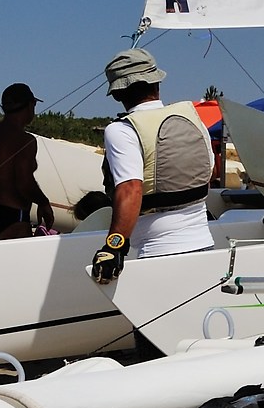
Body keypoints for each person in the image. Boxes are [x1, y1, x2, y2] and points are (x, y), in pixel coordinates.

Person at [89, 49, 216, 285]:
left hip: (159, 256)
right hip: (204, 246)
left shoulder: (121, 130)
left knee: (150, 323)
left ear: (117, 93)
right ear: (157, 82)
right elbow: (209, 172)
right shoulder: (192, 117)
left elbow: (130, 189)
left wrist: (113, 247)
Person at [0, 82, 56, 241]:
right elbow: (24, 182)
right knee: (19, 265)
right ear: (29, 105)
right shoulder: (25, 140)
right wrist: (43, 203)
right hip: (13, 219)